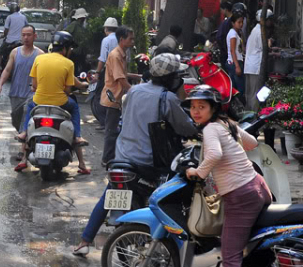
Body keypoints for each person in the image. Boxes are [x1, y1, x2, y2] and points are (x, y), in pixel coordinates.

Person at [72, 53, 196, 257]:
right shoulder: (168, 98)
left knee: (107, 195)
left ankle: (84, 241)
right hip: (149, 163)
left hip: (121, 158)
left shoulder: (134, 91)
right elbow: (185, 128)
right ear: (171, 78)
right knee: (175, 193)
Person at [184, 86, 271, 267]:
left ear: (213, 108)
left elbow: (215, 154)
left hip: (241, 196)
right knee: (251, 245)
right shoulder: (227, 124)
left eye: (202, 107)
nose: (196, 112)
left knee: (230, 256)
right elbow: (252, 143)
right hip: (259, 186)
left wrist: (198, 172)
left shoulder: (210, 129)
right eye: (193, 107)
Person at [16, 31, 89, 174]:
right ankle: (77, 137)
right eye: (70, 48)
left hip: (39, 102)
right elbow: (68, 91)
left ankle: (24, 134)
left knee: (28, 107)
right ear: (65, 48)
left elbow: (34, 85)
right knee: (74, 108)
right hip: (60, 103)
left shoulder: (39, 59)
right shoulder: (69, 63)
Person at [0, 25, 44, 159]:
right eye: (23, 35)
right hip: (15, 93)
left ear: (35, 36)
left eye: (29, 35)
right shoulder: (15, 52)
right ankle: (28, 139)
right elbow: (7, 70)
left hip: (32, 94)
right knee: (16, 121)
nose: (26, 37)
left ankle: (24, 150)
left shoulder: (40, 55)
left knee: (26, 120)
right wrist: (0, 84)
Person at [100, 26, 135, 166]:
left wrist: (138, 77)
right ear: (122, 39)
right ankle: (106, 159)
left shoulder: (122, 54)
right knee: (111, 130)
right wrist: (135, 91)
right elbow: (120, 79)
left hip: (118, 98)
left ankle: (114, 155)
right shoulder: (115, 55)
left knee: (116, 129)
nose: (133, 41)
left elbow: (123, 74)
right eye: (130, 38)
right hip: (113, 98)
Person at [245, 9, 273, 111]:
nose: (270, 22)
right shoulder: (260, 32)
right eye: (269, 20)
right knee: (255, 93)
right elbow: (264, 48)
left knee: (251, 93)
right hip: (255, 66)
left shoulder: (256, 30)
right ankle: (253, 115)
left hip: (251, 66)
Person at [0, 2, 28, 78]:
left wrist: (4, 35)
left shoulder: (9, 17)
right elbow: (27, 27)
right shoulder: (23, 17)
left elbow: (6, 29)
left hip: (9, 41)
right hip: (20, 41)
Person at [226, 12, 245, 96]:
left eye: (242, 22)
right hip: (235, 62)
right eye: (239, 22)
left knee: (234, 87)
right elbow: (232, 50)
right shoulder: (233, 34)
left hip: (235, 61)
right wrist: (237, 66)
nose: (241, 24)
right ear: (233, 23)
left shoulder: (237, 33)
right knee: (240, 89)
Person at [64, 8, 88, 72]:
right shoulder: (74, 24)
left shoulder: (83, 27)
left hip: (81, 52)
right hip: (74, 52)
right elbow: (65, 33)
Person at [216, 1, 233, 67]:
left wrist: (223, 47)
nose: (221, 12)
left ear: (225, 9)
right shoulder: (232, 20)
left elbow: (219, 37)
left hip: (226, 51)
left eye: (221, 10)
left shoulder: (227, 22)